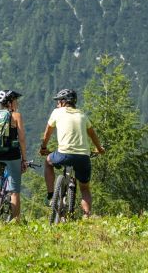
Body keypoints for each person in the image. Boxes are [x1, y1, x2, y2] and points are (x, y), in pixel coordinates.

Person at [39, 87, 105, 217]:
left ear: (64, 102)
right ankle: (87, 215)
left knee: (48, 162)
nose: (57, 104)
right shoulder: (82, 115)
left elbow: (48, 132)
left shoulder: (57, 113)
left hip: (64, 154)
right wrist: (99, 149)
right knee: (85, 188)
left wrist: (43, 147)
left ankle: (52, 195)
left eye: (58, 101)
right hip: (83, 157)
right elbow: (93, 135)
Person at [0, 88, 29, 220]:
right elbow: (21, 138)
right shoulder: (16, 116)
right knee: (14, 190)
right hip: (12, 155)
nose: (17, 103)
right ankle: (16, 221)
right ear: (10, 102)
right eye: (15, 100)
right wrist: (24, 159)